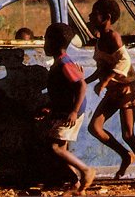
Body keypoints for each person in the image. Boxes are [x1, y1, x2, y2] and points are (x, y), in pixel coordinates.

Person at [85, 0, 135, 189]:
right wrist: (86, 81)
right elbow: (102, 67)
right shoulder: (100, 39)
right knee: (95, 127)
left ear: (106, 18)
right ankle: (125, 155)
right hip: (112, 90)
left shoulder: (113, 37)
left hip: (126, 89)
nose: (90, 15)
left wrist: (105, 81)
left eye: (95, 13)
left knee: (128, 134)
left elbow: (124, 62)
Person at [37, 22, 95, 194]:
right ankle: (75, 184)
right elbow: (62, 90)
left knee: (54, 147)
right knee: (62, 148)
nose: (44, 44)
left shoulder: (64, 64)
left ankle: (85, 171)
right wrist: (48, 107)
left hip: (71, 112)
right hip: (64, 111)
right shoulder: (60, 63)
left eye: (46, 40)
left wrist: (74, 111)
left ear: (54, 42)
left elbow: (81, 86)